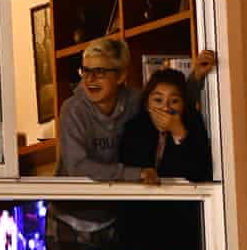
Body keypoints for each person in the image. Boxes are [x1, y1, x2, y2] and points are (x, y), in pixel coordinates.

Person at [55, 38, 215, 181]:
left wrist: (196, 78)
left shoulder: (135, 100)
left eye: (99, 72)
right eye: (86, 71)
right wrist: (136, 174)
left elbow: (170, 105)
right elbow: (77, 167)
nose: (90, 79)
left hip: (113, 209)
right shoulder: (73, 109)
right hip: (71, 210)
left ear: (121, 76)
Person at [119, 68, 212, 184]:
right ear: (147, 103)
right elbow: (131, 171)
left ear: (183, 105)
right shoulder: (134, 128)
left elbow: (199, 174)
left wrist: (178, 132)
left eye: (174, 101)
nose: (166, 108)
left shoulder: (193, 123)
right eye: (158, 100)